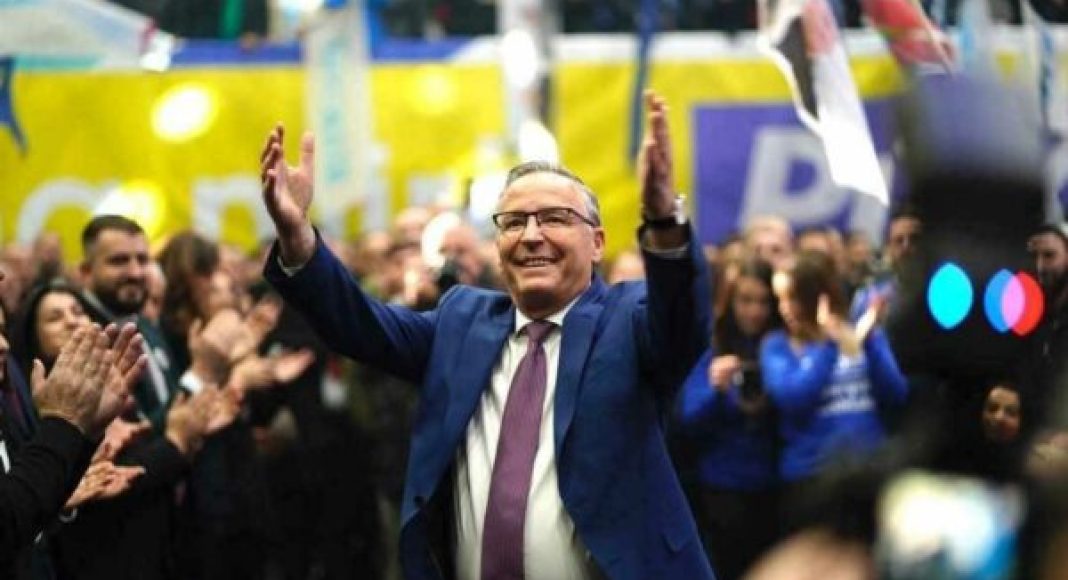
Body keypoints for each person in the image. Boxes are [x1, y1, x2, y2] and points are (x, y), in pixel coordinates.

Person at [259, 90, 713, 579]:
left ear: (597, 242)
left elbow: (682, 317)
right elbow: (360, 326)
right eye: (513, 222)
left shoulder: (628, 318)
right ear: (497, 245)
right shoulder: (461, 320)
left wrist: (664, 221)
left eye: (555, 218)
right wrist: (297, 237)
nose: (531, 235)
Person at [761, 251, 907, 490]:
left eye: (793, 298)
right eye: (780, 299)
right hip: (810, 475)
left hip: (868, 468)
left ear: (817, 296)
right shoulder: (777, 346)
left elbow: (896, 394)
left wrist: (869, 344)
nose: (784, 309)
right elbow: (793, 400)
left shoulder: (859, 333)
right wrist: (828, 345)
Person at [677, 258, 783, 579]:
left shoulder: (781, 344)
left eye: (763, 302)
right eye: (746, 300)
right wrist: (715, 389)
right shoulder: (711, 346)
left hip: (773, 485)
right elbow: (688, 420)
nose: (755, 311)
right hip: (722, 488)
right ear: (730, 301)